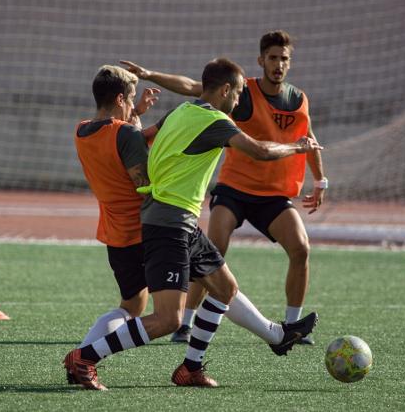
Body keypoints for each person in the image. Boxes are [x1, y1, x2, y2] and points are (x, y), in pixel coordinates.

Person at [63, 58, 322, 390]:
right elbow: (259, 150)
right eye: (239, 92)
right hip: (168, 222)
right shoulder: (214, 120)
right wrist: (298, 146)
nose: (241, 99)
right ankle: (86, 356)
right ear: (226, 90)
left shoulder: (182, 111)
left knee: (225, 289)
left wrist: (138, 115)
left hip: (179, 219)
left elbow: (146, 137)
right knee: (168, 319)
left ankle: (194, 366)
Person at [121, 30, 326, 345]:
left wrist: (320, 179)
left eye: (284, 58)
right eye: (273, 57)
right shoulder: (240, 96)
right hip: (232, 190)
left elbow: (307, 138)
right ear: (261, 60)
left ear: (290, 62)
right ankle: (183, 324)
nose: (279, 64)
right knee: (214, 252)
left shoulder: (297, 99)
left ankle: (289, 326)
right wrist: (150, 76)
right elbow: (195, 88)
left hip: (272, 194)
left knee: (299, 248)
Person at [70, 65, 159, 386]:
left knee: (131, 307)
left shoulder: (81, 130)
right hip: (144, 230)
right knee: (214, 280)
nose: (133, 103)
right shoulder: (126, 133)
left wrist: (135, 113)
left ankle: (80, 357)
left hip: (114, 232)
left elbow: (119, 136)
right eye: (131, 98)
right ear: (120, 98)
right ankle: (273, 333)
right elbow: (143, 183)